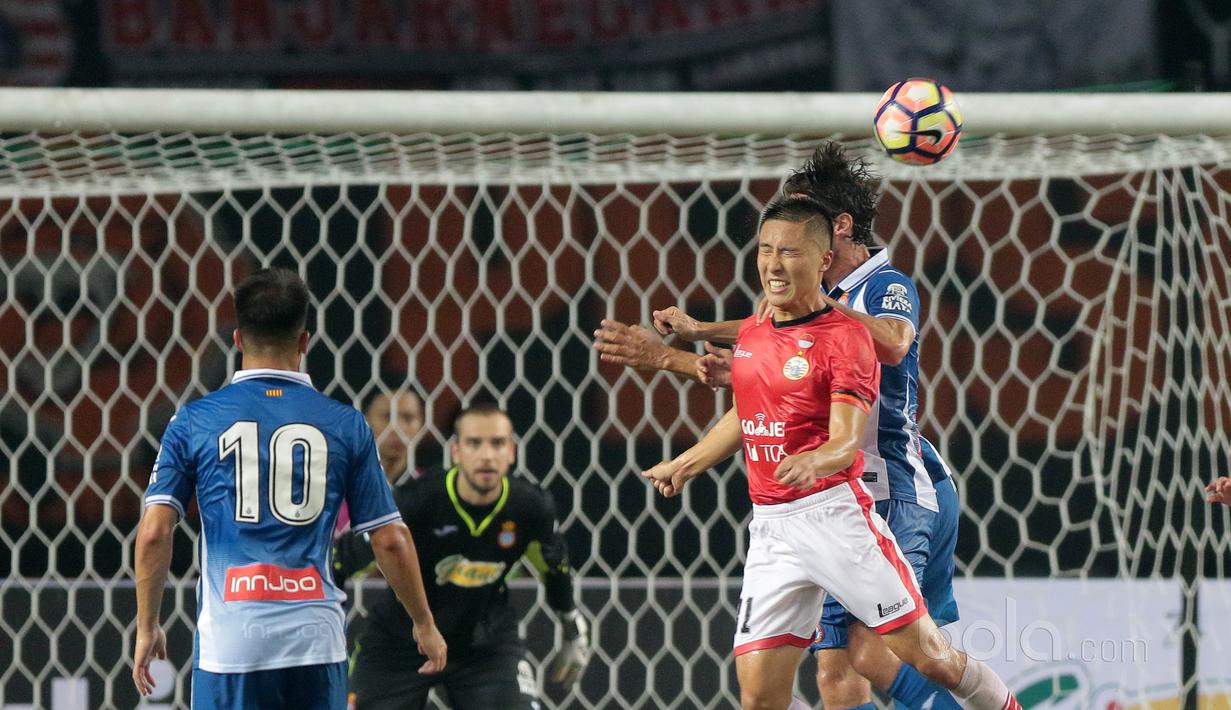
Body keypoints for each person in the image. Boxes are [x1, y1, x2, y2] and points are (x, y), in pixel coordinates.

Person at [596, 143, 963, 709]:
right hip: (835, 500)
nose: (785, 245)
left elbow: (892, 342)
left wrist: (812, 315)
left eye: (803, 225)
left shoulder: (883, 285)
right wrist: (695, 339)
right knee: (836, 680)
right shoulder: (794, 309)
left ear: (836, 230)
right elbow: (759, 385)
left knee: (875, 653)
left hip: (892, 489)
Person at [132, 267, 446, 709]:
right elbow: (390, 539)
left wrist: (148, 625)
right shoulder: (346, 424)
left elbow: (153, 532)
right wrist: (423, 623)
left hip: (231, 646)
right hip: (315, 644)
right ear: (304, 342)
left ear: (238, 339)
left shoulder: (194, 421)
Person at [337, 402, 590, 710]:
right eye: (474, 443)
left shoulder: (530, 507)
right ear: (456, 451)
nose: (486, 455)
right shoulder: (418, 500)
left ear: (511, 451)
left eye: (496, 444)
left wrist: (571, 626)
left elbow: (554, 568)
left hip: (485, 646)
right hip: (400, 643)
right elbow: (346, 557)